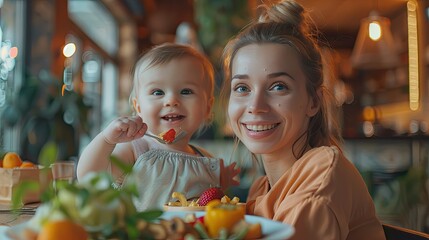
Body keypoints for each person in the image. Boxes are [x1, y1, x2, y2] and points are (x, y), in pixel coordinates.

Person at [220, 0, 385, 239]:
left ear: (313, 102)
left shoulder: (322, 175)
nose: (255, 107)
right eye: (242, 88)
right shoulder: (262, 189)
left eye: (278, 86)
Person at [77, 43, 239, 211]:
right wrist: (106, 139)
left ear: (207, 107)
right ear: (138, 107)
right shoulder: (136, 150)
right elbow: (89, 177)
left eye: (186, 91)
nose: (171, 100)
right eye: (157, 92)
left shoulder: (205, 159)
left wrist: (222, 179)